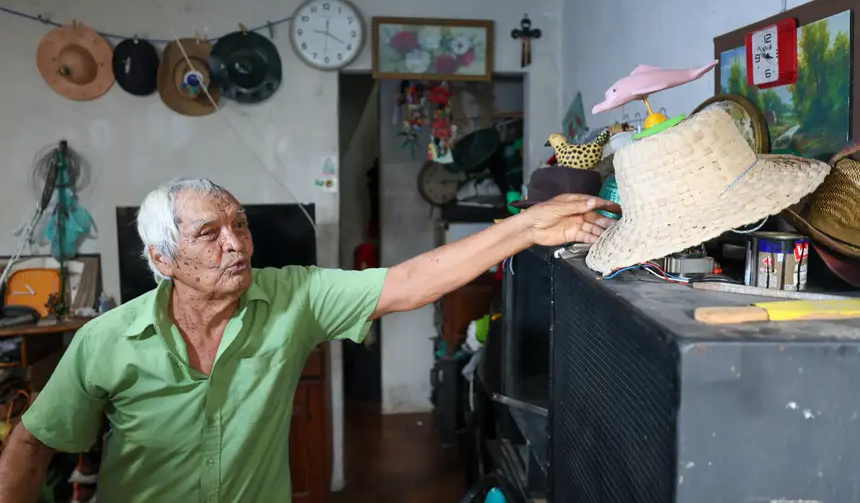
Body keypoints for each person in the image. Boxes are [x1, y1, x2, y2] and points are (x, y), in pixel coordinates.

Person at [0, 178, 620, 502]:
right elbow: (30, 445)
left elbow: (409, 283)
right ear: (162, 258)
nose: (236, 244)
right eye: (210, 233)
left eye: (240, 226)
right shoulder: (106, 339)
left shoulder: (292, 295)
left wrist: (526, 227)